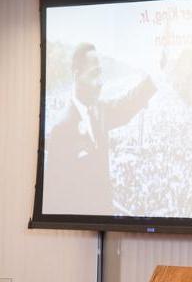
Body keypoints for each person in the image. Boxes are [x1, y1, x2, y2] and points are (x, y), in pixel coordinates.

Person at [44, 43, 157, 215]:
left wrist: (153, 80)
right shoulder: (61, 129)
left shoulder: (99, 110)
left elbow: (125, 106)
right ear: (76, 76)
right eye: (93, 74)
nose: (100, 83)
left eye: (100, 73)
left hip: (104, 219)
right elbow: (54, 198)